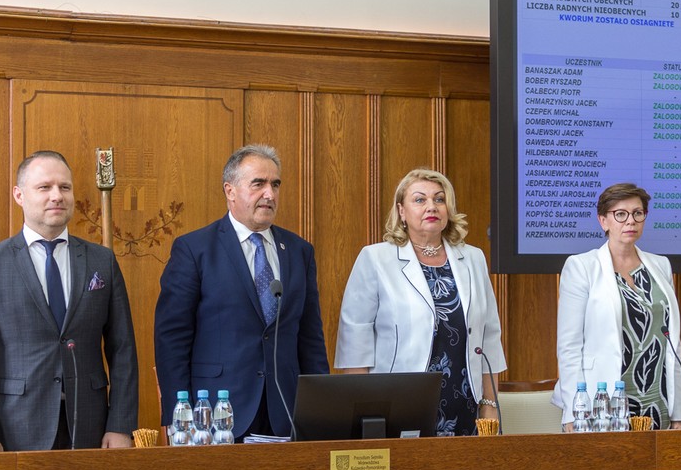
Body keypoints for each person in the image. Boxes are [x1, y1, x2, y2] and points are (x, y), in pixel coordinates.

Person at [0, 150, 139, 451]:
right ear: (19, 195)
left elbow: (123, 351)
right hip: (16, 430)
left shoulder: (101, 261)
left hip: (90, 429)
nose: (57, 196)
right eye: (44, 187)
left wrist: (120, 425)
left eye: (65, 187)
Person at [154, 144, 328, 439]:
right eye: (258, 184)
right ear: (230, 191)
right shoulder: (195, 250)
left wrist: (321, 410)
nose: (269, 194)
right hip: (216, 413)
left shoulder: (299, 251)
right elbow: (172, 338)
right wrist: (178, 415)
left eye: (275, 185)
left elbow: (310, 339)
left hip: (286, 411)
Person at [335, 168, 506, 436]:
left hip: (466, 405)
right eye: (419, 199)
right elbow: (355, 340)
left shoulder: (473, 259)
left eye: (439, 199)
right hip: (396, 404)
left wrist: (489, 403)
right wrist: (363, 410)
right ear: (401, 211)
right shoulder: (376, 259)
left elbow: (489, 337)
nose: (431, 206)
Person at [555, 183, 681, 430]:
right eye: (621, 214)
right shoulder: (582, 267)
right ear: (603, 221)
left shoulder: (660, 266)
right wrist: (573, 413)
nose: (631, 221)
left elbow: (672, 344)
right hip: (603, 401)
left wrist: (678, 411)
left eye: (638, 213)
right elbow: (569, 346)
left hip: (657, 398)